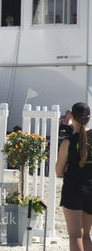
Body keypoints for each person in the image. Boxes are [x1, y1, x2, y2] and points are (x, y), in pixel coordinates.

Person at [56, 102, 92, 251]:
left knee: (75, 235)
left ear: (72, 118)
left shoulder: (68, 141)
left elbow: (58, 172)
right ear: (88, 118)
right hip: (91, 188)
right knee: (86, 235)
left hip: (74, 189)